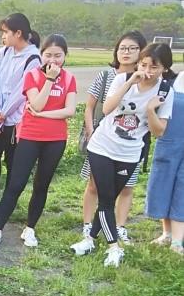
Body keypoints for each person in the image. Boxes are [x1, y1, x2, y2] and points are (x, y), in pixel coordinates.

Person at [70, 44, 174, 267]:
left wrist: (150, 110)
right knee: (106, 198)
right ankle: (114, 248)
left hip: (129, 153)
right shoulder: (122, 79)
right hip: (102, 146)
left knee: (109, 200)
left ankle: (89, 240)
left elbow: (159, 132)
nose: (147, 71)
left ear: (164, 68)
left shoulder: (165, 92)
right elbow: (107, 109)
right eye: (143, 65)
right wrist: (129, 83)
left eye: (154, 67)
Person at [0, 35, 77, 250]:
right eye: (48, 55)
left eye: (58, 55)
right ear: (41, 55)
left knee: (41, 185)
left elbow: (70, 110)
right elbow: (37, 103)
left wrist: (43, 115)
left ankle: (30, 228)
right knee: (16, 184)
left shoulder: (69, 79)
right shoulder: (32, 75)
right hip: (30, 136)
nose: (53, 60)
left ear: (65, 56)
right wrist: (50, 80)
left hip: (56, 139)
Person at [78, 31, 147, 245]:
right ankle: (88, 225)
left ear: (142, 52)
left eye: (132, 48)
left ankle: (119, 226)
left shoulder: (146, 80)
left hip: (131, 143)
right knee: (94, 184)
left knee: (126, 187)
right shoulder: (106, 76)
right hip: (102, 140)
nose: (126, 52)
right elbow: (89, 106)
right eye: (122, 48)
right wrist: (90, 131)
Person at [0, 13, 41, 216]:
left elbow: (21, 91)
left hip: (16, 119)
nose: (3, 36)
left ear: (18, 33)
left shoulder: (33, 58)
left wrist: (4, 113)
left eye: (6, 32)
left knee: (12, 161)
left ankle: (7, 203)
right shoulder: (4, 52)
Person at [145, 72, 184, 254]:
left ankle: (177, 241)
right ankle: (166, 233)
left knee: (182, 190)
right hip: (168, 144)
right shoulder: (171, 81)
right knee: (162, 185)